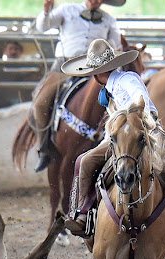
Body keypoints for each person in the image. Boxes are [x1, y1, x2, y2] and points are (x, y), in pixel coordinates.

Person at [62, 39, 165, 237]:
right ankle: (82, 213)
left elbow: (141, 101)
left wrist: (129, 120)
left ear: (97, 72)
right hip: (118, 137)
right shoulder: (109, 88)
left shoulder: (128, 79)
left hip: (146, 130)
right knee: (86, 160)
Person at [32, 0, 124, 172]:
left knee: (118, 101)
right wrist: (45, 12)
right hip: (64, 66)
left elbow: (115, 44)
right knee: (40, 101)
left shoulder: (109, 20)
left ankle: (116, 146)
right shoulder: (67, 10)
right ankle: (44, 148)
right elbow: (43, 26)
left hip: (94, 69)